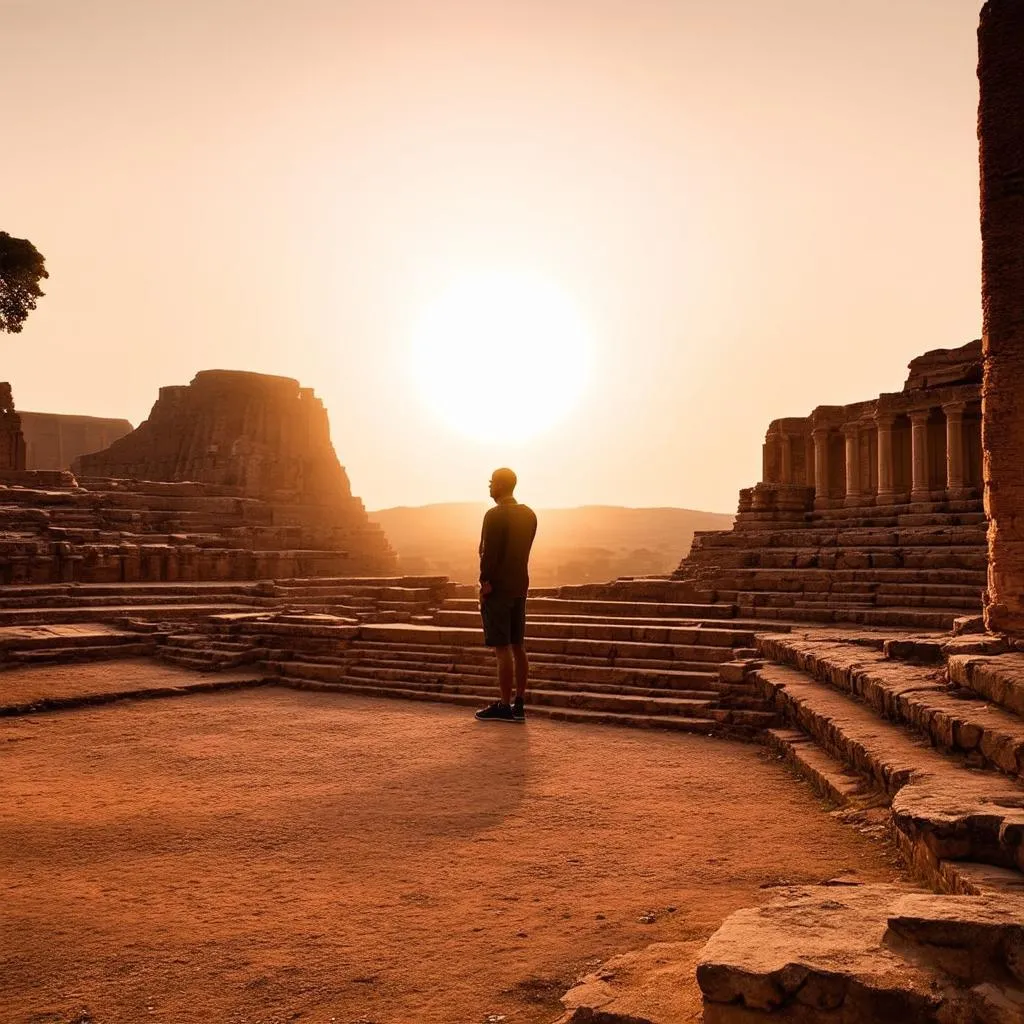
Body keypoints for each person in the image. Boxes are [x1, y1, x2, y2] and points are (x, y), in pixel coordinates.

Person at [474, 467, 537, 723]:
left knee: (502, 649)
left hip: (498, 587)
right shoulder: (530, 515)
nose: (489, 487)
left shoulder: (494, 515)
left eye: (491, 483)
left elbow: (488, 554)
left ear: (499, 485)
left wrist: (485, 582)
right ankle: (519, 703)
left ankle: (504, 704)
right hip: (520, 584)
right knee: (518, 646)